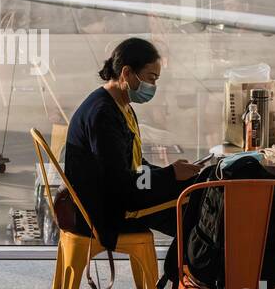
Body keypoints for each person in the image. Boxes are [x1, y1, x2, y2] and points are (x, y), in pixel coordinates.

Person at [62, 37, 202, 258]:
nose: (153, 87)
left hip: (115, 195)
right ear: (127, 73)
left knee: (194, 189)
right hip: (106, 210)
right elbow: (120, 184)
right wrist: (170, 175)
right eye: (150, 78)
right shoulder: (103, 115)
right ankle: (200, 271)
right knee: (195, 209)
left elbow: (134, 167)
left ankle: (195, 269)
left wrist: (170, 173)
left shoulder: (120, 105)